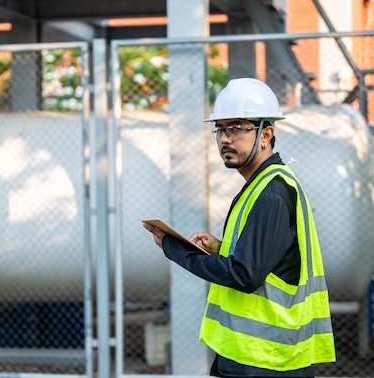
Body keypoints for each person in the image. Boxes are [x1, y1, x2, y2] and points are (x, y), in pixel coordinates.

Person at [143, 78, 336, 377]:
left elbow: (244, 275)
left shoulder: (271, 193)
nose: (224, 139)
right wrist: (221, 248)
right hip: (257, 358)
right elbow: (268, 262)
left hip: (264, 360)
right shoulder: (262, 186)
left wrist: (176, 249)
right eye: (219, 129)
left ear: (265, 135)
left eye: (236, 128)